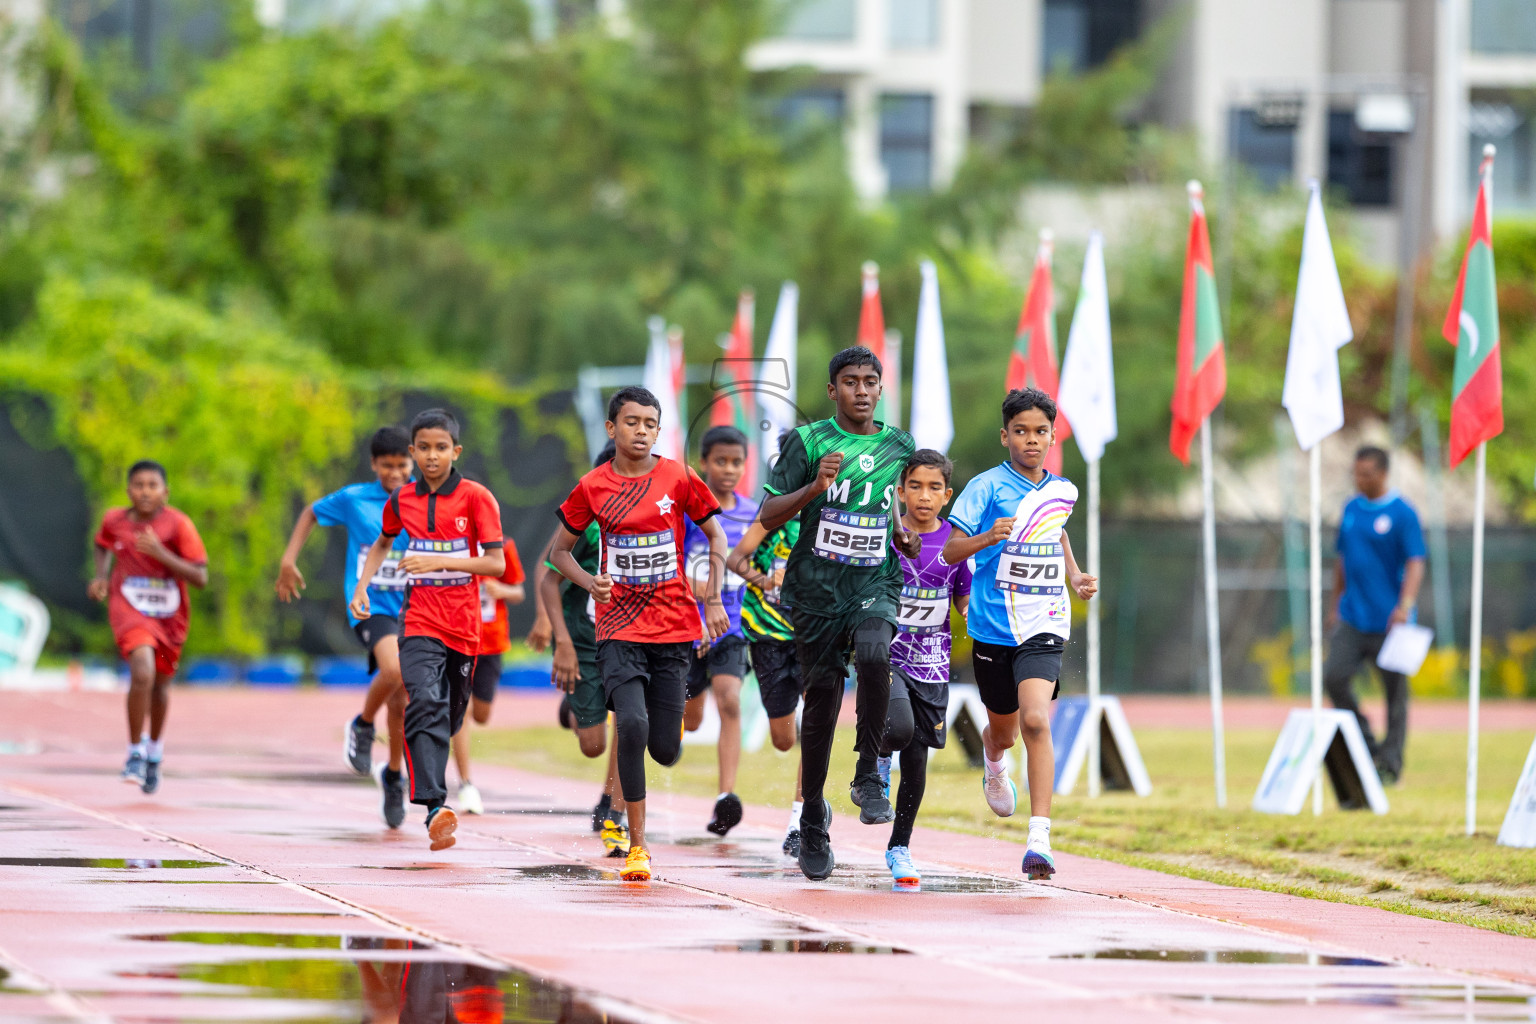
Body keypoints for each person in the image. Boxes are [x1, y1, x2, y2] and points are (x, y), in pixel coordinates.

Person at [548, 386, 730, 882]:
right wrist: (591, 582)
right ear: (612, 428)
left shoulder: (678, 476)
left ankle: (655, 723)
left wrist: (711, 596)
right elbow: (557, 554)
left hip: (672, 627)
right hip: (618, 628)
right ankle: (638, 846)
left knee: (664, 748)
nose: (642, 431)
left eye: (651, 423)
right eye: (632, 422)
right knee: (630, 724)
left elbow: (716, 532)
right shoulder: (592, 486)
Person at [758, 346, 919, 881]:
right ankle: (811, 821)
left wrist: (903, 532)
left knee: (875, 653)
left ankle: (869, 773)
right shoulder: (809, 442)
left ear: (881, 387)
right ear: (833, 390)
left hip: (874, 579)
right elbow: (768, 511)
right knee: (823, 698)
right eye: (850, 381)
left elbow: (895, 505)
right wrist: (815, 488)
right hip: (817, 589)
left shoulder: (900, 443)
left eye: (870, 381)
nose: (862, 390)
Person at [942, 387, 1097, 881]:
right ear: (1005, 435)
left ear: (1053, 436)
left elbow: (1057, 532)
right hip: (992, 625)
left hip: (1045, 620)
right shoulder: (986, 487)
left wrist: (1074, 575)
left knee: (1035, 720)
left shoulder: (1063, 490)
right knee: (1005, 731)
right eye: (1022, 431)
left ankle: (1040, 839)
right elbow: (948, 551)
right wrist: (989, 537)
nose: (1032, 440)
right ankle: (993, 760)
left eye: (1041, 432)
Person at [350, 409, 506, 852]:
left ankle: (423, 786)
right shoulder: (402, 500)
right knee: (424, 701)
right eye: (424, 448)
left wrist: (441, 560)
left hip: (465, 628)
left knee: (452, 715)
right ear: (412, 452)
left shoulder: (477, 498)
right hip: (418, 620)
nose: (432, 456)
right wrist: (362, 587)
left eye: (441, 448)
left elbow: (494, 563)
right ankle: (436, 806)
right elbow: (383, 541)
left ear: (455, 452)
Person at [275, 426, 413, 828]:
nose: (394, 473)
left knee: (401, 699)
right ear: (374, 465)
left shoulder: (423, 500)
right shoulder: (355, 499)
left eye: (401, 465)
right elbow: (310, 513)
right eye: (386, 466)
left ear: (412, 463)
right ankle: (363, 724)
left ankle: (392, 775)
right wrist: (288, 559)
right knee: (394, 672)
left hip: (414, 606)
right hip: (370, 605)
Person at [528, 442, 632, 857]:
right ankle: (576, 708)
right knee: (594, 744)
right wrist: (558, 639)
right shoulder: (586, 526)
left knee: (630, 719)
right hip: (583, 640)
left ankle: (615, 810)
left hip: (628, 639)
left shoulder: (651, 523)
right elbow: (548, 570)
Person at [90, 460, 210, 796]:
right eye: (138, 485)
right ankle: (134, 753)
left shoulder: (178, 525)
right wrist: (101, 576)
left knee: (159, 687)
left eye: (152, 485)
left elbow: (200, 577)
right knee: (141, 672)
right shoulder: (114, 520)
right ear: (128, 491)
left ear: (165, 492)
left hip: (169, 615)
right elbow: (102, 543)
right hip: (129, 607)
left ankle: (154, 753)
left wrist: (160, 553)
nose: (145, 491)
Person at [883, 449, 971, 885]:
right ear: (900, 493)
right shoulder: (885, 536)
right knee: (896, 729)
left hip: (932, 666)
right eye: (915, 486)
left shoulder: (955, 542)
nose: (924, 495)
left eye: (934, 487)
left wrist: (977, 617)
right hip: (888, 655)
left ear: (947, 495)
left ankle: (899, 847)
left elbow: (962, 600)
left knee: (916, 760)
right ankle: (877, 761)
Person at [1326, 446, 1426, 785]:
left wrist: (1405, 604)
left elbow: (1415, 560)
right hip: (1353, 617)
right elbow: (1342, 559)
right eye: (1356, 473)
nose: (1360, 479)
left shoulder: (1402, 513)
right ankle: (1366, 746)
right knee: (1334, 678)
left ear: (1383, 474)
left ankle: (1390, 765)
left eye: (1366, 473)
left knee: (1395, 695)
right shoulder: (1351, 509)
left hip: (1390, 622)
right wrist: (1334, 605)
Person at [682, 425, 760, 837]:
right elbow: (673, 566)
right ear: (704, 463)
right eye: (720, 461)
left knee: (730, 700)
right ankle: (671, 728)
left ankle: (724, 798)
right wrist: (702, 592)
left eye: (736, 462)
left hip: (731, 627)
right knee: (690, 721)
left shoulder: (752, 514)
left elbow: (756, 566)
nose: (729, 470)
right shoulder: (688, 513)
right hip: (685, 626)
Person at [727, 479, 804, 857]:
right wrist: (764, 580)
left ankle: (802, 819)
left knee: (818, 724)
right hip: (767, 632)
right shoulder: (771, 517)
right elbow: (734, 559)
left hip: (815, 633)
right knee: (783, 738)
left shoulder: (833, 517)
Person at [450, 536, 526, 814]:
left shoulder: (504, 546)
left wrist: (501, 591)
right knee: (461, 706)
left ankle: (460, 720)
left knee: (480, 714)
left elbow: (519, 592)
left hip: (492, 644)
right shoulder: (455, 546)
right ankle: (466, 783)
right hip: (460, 640)